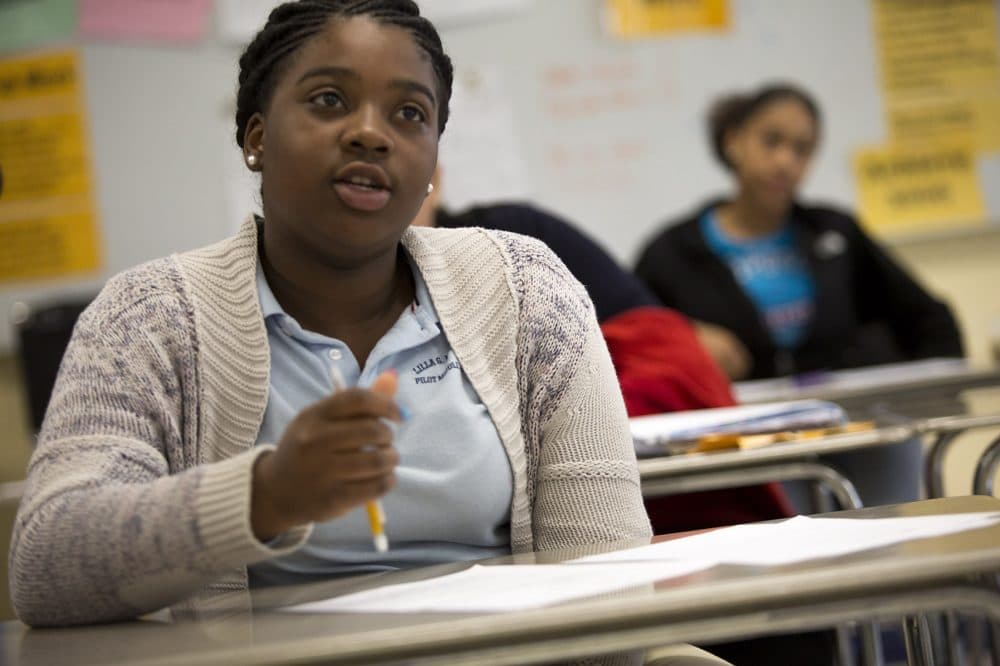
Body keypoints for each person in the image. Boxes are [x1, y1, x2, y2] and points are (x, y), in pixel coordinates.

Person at [10, 3, 661, 651]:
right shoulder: (151, 316)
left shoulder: (525, 289)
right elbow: (46, 567)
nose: (371, 135)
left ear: (434, 158)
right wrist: (265, 496)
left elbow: (608, 576)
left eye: (411, 114)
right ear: (256, 138)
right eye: (328, 100)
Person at [635, 83, 964, 382]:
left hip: (851, 421)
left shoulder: (836, 235)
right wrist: (685, 339)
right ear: (734, 142)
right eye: (771, 140)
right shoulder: (674, 251)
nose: (784, 161)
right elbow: (627, 337)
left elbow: (931, 320)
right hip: (731, 431)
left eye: (802, 149)